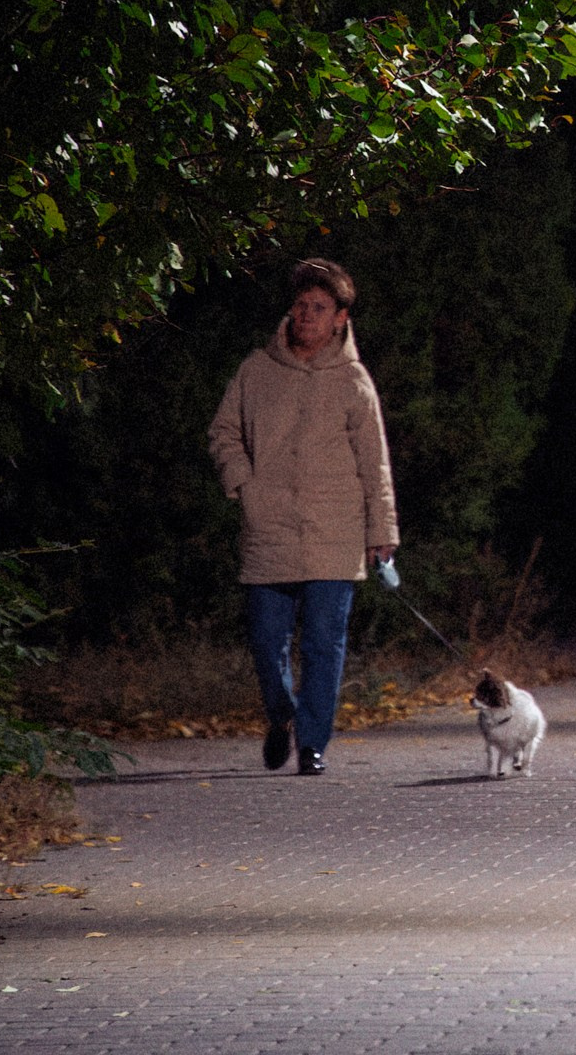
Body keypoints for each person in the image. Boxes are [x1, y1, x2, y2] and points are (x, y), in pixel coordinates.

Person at [208, 259, 400, 775]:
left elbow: (374, 461)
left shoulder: (354, 380)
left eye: (319, 307)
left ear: (340, 318)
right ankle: (282, 715)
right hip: (269, 526)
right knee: (266, 641)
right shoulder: (256, 370)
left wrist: (382, 531)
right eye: (300, 305)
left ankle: (313, 742)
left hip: (335, 531)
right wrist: (244, 484)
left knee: (323, 644)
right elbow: (224, 432)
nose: (306, 315)